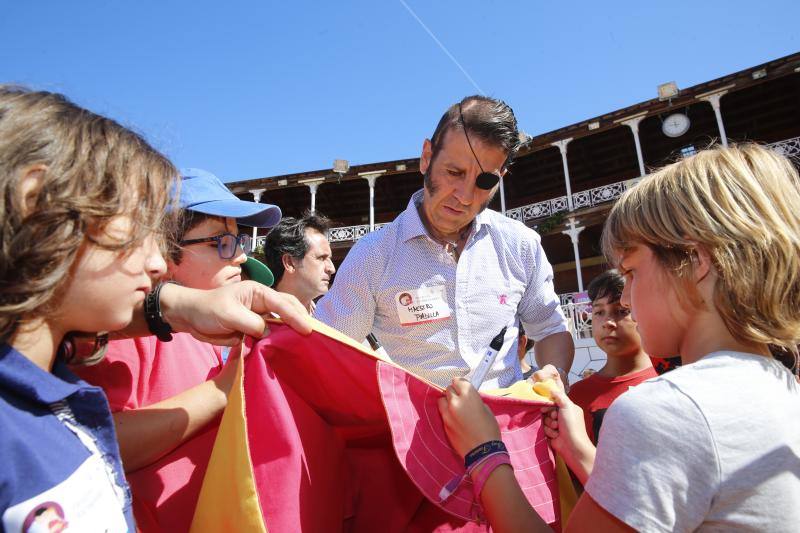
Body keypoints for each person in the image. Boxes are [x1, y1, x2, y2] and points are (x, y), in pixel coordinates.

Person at [437, 143, 800, 532]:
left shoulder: (665, 410)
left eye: (631, 273)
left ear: (696, 262)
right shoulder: (785, 388)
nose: (625, 296)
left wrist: (485, 450)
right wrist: (580, 451)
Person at [0, 86, 310, 532]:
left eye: (239, 241)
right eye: (134, 230)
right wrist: (223, 391)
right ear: (38, 207)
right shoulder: (99, 335)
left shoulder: (189, 329)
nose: (152, 260)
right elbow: (108, 438)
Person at [73, 168, 283, 531]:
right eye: (221, 242)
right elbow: (94, 442)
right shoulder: (122, 329)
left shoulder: (205, 331)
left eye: (239, 241)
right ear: (163, 253)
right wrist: (222, 390)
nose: (238, 258)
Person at [315, 95, 573, 388]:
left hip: (506, 425)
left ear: (501, 177)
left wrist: (556, 374)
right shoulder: (373, 255)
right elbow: (328, 349)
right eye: (454, 172)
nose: (464, 196)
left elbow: (551, 329)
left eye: (485, 182)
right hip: (412, 428)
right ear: (426, 156)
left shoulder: (521, 244)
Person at [568, 270, 656, 445]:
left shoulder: (668, 380)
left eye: (621, 310)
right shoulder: (576, 397)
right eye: (599, 312)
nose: (608, 322)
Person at [263, 212, 335, 313]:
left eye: (329, 259)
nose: (331, 268)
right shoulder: (258, 323)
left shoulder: (330, 318)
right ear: (289, 263)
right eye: (321, 258)